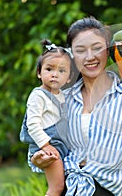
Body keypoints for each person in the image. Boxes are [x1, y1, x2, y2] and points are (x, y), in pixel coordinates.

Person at [31, 16, 122, 196]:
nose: (90, 57)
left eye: (97, 48)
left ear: (107, 50)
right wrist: (40, 159)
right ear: (72, 55)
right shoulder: (63, 100)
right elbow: (46, 146)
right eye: (80, 50)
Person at [20, 39, 74, 196]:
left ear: (69, 77)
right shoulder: (38, 96)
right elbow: (33, 124)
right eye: (49, 69)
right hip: (47, 146)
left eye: (62, 71)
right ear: (39, 72)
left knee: (63, 186)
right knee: (56, 188)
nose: (55, 75)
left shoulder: (62, 95)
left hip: (60, 146)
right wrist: (46, 146)